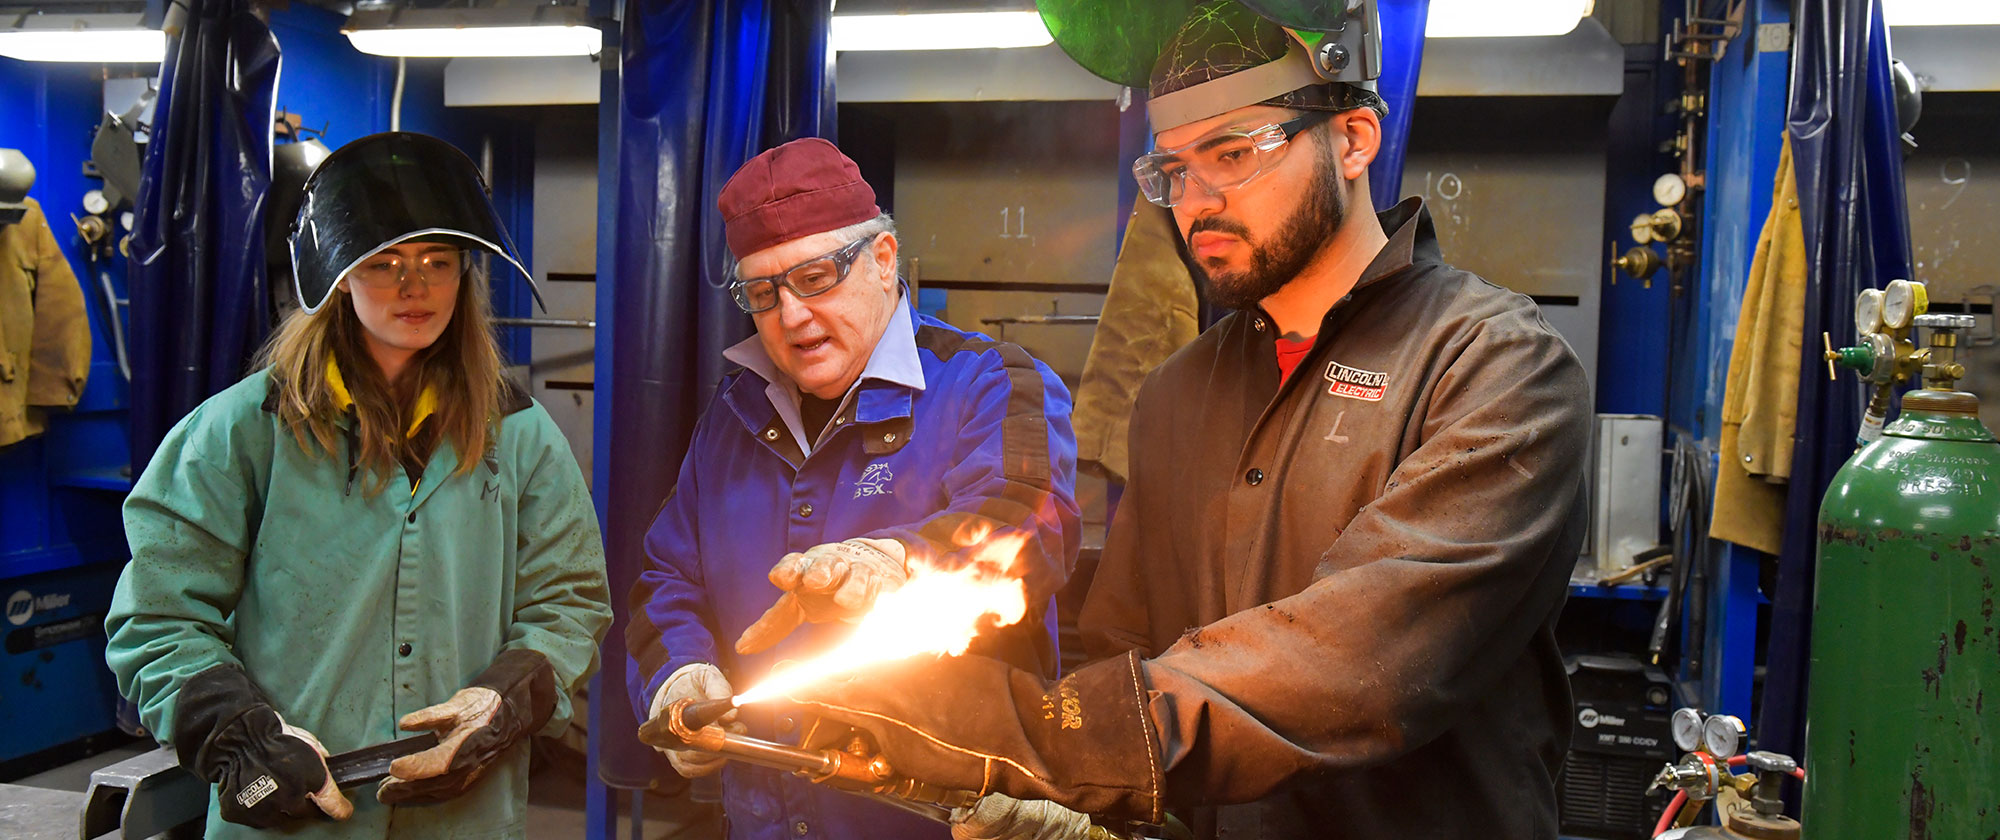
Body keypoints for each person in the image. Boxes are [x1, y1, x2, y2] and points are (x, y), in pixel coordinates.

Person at [783, 3, 1593, 838]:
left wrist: (1034, 736)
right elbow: (1123, 645)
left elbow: (1360, 665)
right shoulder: (1178, 393)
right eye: (1172, 169)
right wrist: (1060, 800)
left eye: (1233, 154)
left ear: (1352, 140)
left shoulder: (1493, 367)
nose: (1195, 202)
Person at [104, 131, 613, 838]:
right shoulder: (240, 432)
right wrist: (238, 735)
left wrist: (506, 698)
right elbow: (159, 619)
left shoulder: (519, 432)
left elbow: (570, 597)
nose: (416, 286)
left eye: (438, 261)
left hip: (464, 815)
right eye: (385, 262)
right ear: (339, 274)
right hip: (297, 815)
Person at [623, 137, 1080, 840]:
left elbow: (1025, 520)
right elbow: (665, 579)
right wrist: (678, 675)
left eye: (815, 278)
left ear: (884, 259)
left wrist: (898, 560)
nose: (792, 318)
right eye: (764, 293)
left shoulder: (987, 382)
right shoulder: (731, 419)